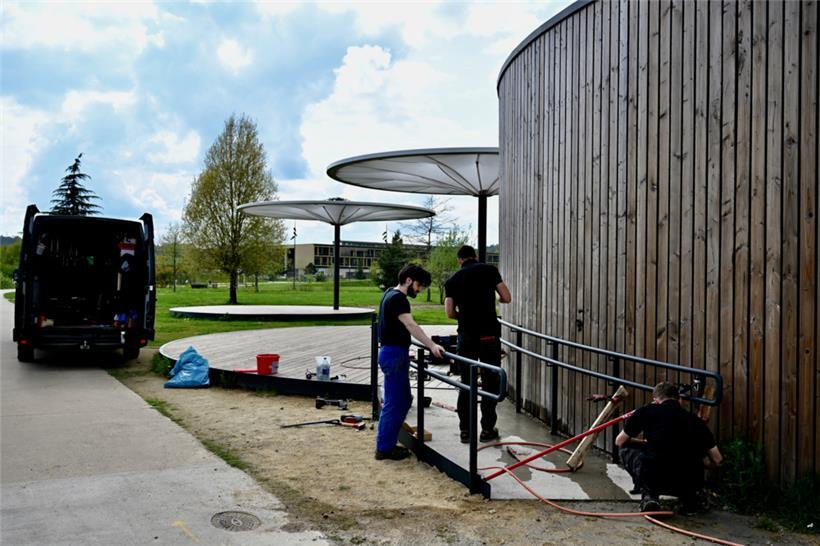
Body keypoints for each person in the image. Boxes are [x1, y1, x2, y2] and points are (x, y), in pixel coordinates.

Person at [615, 381, 722, 514]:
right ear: (679, 399)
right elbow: (718, 459)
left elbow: (619, 441)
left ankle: (650, 496)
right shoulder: (695, 420)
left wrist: (644, 442)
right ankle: (690, 500)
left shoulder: (645, 411)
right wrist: (704, 461)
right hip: (686, 479)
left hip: (655, 476)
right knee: (695, 459)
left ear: (655, 400)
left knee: (625, 448)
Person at [375, 264, 445, 461]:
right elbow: (410, 325)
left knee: (403, 399)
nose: (419, 290)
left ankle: (386, 444)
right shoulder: (399, 299)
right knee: (395, 403)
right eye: (419, 285)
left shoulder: (389, 293)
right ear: (408, 280)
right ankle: (384, 448)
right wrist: (432, 345)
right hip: (394, 354)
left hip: (392, 352)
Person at [444, 245, 512, 443]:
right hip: (489, 336)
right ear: (475, 256)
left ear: (459, 260)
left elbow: (449, 313)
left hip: (467, 337)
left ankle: (465, 431)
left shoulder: (452, 280)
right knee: (490, 382)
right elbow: (506, 297)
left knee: (466, 382)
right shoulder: (490, 271)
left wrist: (465, 317)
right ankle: (487, 430)